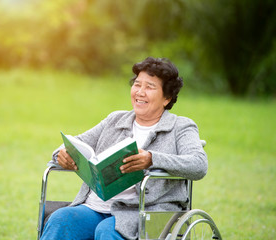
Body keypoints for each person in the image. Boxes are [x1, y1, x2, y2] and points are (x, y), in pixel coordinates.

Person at [40, 57, 208, 240]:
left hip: (142, 211)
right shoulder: (115, 120)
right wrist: (61, 154)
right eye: (137, 84)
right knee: (61, 219)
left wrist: (152, 158)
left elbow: (199, 165)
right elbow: (74, 142)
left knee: (107, 231)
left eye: (150, 87)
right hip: (96, 207)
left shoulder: (180, 127)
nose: (140, 92)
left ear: (167, 98)